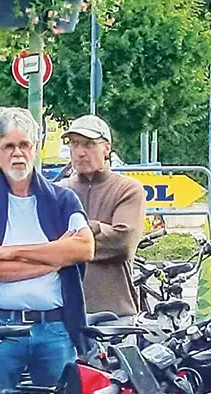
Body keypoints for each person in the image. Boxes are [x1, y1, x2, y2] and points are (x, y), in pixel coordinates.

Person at [0, 107, 95, 393]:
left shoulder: (63, 199)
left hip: (55, 332)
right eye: (9, 145)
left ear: (36, 148)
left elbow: (84, 247)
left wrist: (6, 252)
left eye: (24, 145)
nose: (17, 153)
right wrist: (56, 258)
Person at [61, 114, 146, 317]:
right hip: (64, 312)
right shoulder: (59, 192)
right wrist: (100, 231)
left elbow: (122, 242)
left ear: (106, 148)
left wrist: (80, 234)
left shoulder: (128, 189)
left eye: (89, 144)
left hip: (115, 313)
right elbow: (45, 242)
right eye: (74, 144)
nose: (80, 152)